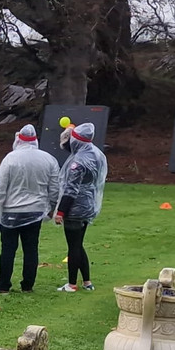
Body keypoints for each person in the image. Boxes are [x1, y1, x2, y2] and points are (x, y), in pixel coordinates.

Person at [0, 124, 60, 293]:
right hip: (36, 211)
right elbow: (55, 188)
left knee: (7, 250)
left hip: (11, 212)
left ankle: (3, 285)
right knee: (31, 249)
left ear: (18, 139)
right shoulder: (48, 159)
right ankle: (28, 285)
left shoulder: (10, 159)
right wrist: (53, 207)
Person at [54, 122, 107, 292]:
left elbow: (71, 190)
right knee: (78, 244)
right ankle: (87, 282)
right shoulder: (96, 154)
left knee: (73, 246)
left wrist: (60, 211)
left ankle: (71, 284)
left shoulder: (77, 162)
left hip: (75, 208)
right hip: (89, 204)